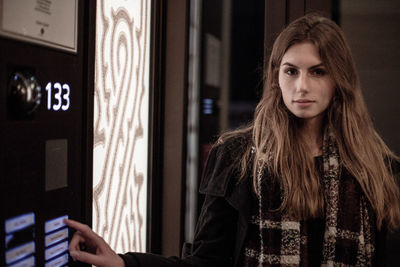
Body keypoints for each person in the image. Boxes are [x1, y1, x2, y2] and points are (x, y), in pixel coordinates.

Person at [65, 13, 400, 266]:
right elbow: (206, 263)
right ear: (275, 76)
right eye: (291, 70)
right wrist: (125, 262)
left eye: (318, 71)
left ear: (339, 78)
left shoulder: (374, 166)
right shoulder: (238, 158)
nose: (301, 87)